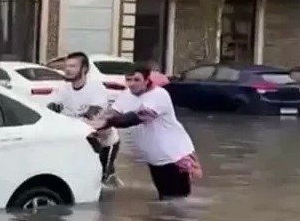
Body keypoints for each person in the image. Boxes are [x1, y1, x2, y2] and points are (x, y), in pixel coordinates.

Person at [86, 62, 201, 200]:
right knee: (165, 200)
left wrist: (107, 122)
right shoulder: (127, 94)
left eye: (136, 80)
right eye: (128, 79)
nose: (132, 84)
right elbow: (112, 113)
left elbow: (138, 117)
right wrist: (90, 125)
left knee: (177, 202)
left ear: (146, 81)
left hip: (174, 155)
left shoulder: (159, 95)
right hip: (154, 157)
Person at [46, 52, 121, 184]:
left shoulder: (96, 88)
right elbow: (51, 108)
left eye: (73, 66)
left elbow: (93, 116)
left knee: (102, 180)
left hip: (103, 142)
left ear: (84, 69)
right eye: (67, 66)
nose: (67, 69)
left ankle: (110, 179)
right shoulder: (63, 88)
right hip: (78, 139)